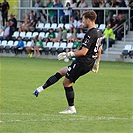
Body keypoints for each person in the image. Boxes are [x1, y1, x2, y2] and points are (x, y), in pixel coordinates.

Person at [33, 10, 102, 114]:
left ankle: (71, 108)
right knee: (62, 71)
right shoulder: (98, 32)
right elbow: (99, 49)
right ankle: (40, 89)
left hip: (82, 62)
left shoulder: (90, 33)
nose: (82, 22)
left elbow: (83, 52)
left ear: (88, 20)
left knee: (66, 83)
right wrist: (97, 62)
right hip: (88, 62)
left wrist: (68, 54)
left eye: (83, 19)